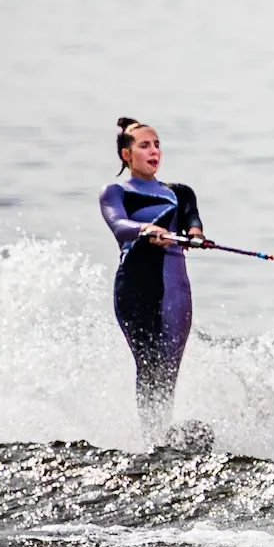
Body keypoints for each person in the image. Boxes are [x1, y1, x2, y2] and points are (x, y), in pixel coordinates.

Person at [99, 118, 205, 435]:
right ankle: (151, 434)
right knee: (148, 363)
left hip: (176, 291)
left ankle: (163, 432)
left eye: (157, 145)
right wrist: (145, 229)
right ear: (126, 154)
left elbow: (193, 222)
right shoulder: (116, 192)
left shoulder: (180, 193)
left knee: (169, 367)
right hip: (135, 288)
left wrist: (196, 236)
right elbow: (118, 225)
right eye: (144, 145)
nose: (154, 151)